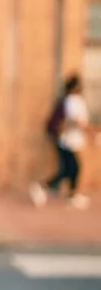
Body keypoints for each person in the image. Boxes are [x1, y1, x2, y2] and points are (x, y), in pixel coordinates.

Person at [30, 74, 94, 209]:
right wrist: (92, 132)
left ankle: (71, 195)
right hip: (67, 141)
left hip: (69, 141)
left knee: (72, 169)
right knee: (69, 170)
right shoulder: (72, 101)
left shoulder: (71, 100)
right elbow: (76, 121)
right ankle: (42, 187)